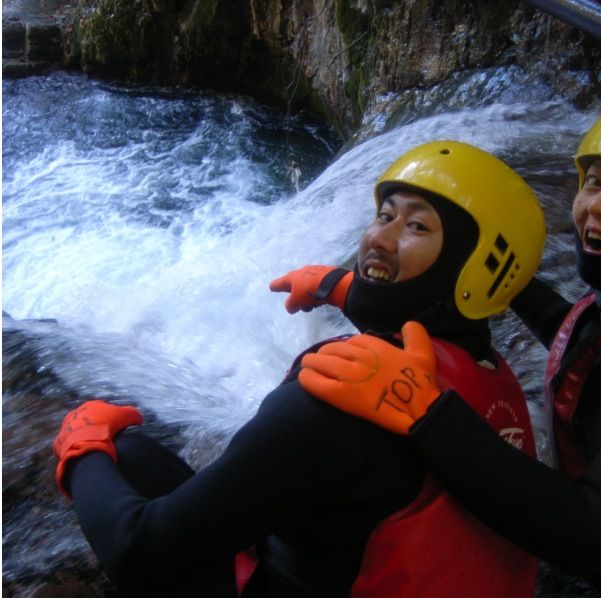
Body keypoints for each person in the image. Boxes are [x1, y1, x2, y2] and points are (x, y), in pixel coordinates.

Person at [293, 99, 601, 597]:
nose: (595, 205)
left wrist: (426, 412)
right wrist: (357, 289)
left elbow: (592, 530)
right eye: (594, 181)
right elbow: (581, 344)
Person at [52, 141, 547, 597]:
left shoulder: (332, 402)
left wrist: (81, 449)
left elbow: (140, 551)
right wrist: (337, 285)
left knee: (125, 455)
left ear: (470, 264)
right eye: (384, 215)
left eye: (416, 226)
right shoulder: (484, 370)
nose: (378, 238)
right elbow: (417, 311)